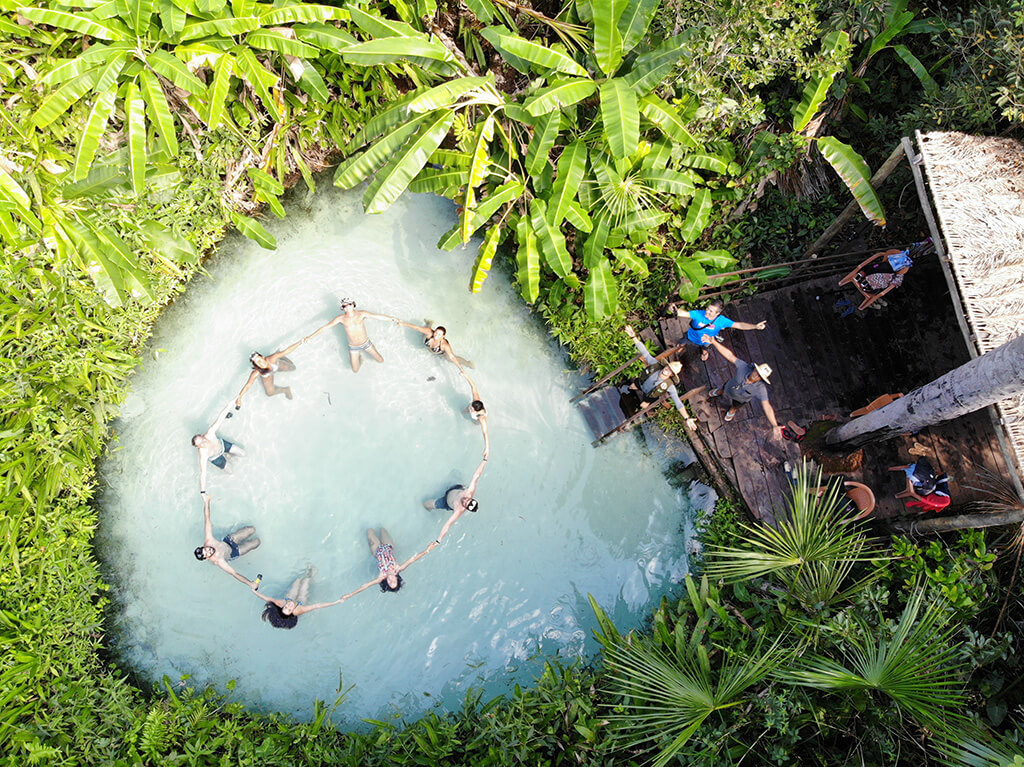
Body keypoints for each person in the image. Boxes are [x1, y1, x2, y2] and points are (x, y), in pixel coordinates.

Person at [705, 336, 783, 437]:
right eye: (757, 372)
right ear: (754, 369)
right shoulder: (744, 367)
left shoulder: (761, 389)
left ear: (762, 379)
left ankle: (732, 410)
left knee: (735, 406)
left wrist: (774, 424)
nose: (756, 375)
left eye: (760, 376)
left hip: (740, 399)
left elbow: (767, 406)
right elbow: (730, 356)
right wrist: (714, 342)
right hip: (730, 387)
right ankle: (719, 392)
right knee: (723, 389)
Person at [339, 529, 438, 597]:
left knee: (369, 531)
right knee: (382, 529)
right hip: (388, 545)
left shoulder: (381, 576)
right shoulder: (398, 569)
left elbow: (365, 586)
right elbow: (413, 559)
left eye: (390, 583)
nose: (391, 580)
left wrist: (350, 594)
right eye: (394, 581)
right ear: (397, 578)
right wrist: (427, 550)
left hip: (376, 550)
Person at [305, 298, 396, 373]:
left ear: (353, 304)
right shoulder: (341, 319)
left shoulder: (362, 314)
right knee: (355, 370)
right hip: (353, 347)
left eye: (349, 304)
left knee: (381, 360)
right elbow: (325, 327)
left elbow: (378, 316)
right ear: (343, 308)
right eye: (344, 306)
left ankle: (364, 355)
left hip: (366, 343)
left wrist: (392, 319)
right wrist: (310, 336)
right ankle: (360, 359)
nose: (347, 307)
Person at [249, 565, 347, 629]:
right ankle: (309, 575)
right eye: (289, 609)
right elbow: (317, 606)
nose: (289, 606)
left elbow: (266, 598)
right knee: (304, 587)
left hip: (289, 597)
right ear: (292, 612)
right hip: (300, 602)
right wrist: (337, 602)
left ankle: (302, 575)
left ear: (282, 607)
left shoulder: (281, 603)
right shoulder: (298, 610)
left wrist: (254, 591)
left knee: (297, 582)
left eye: (286, 607)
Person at [193, 495, 260, 586]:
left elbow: (207, 519)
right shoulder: (218, 560)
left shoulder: (209, 540)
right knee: (256, 542)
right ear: (207, 557)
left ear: (205, 546)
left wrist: (207, 502)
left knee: (251, 529)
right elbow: (234, 574)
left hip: (229, 541)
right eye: (207, 554)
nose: (209, 550)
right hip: (234, 552)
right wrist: (250, 583)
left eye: (206, 549)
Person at [669, 299, 767, 361]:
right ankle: (681, 347)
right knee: (682, 342)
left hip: (707, 341)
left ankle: (704, 353)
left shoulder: (721, 321)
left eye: (711, 311)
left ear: (717, 314)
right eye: (707, 308)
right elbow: (684, 313)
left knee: (705, 348)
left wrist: (755, 326)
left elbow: (739, 325)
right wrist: (675, 310)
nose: (707, 312)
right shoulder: (699, 313)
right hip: (691, 336)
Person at [623, 325, 686, 413]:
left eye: (670, 371)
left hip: (650, 395)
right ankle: (635, 388)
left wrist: (687, 418)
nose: (667, 370)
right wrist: (633, 337)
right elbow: (645, 352)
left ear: (672, 375)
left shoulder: (670, 386)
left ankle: (646, 402)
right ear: (666, 365)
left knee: (643, 405)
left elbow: (678, 402)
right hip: (641, 382)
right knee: (632, 387)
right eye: (668, 367)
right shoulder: (654, 364)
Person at [425, 456, 488, 543]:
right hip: (455, 488)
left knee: (428, 505)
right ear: (471, 498)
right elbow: (476, 475)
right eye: (468, 500)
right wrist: (484, 461)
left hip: (445, 502)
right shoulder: (469, 492)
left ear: (465, 508)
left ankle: (426, 509)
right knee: (455, 474)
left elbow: (448, 525)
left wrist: (438, 540)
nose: (464, 500)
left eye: (465, 504)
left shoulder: (459, 510)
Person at [234, 337, 307, 407]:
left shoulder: (272, 358)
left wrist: (300, 342)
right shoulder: (257, 372)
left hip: (276, 365)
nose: (260, 363)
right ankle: (286, 389)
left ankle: (281, 357)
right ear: (255, 365)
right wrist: (240, 397)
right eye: (257, 363)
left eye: (260, 360)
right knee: (270, 393)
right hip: (267, 375)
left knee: (293, 368)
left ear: (263, 357)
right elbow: (248, 385)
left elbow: (286, 351)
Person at [192, 400, 245, 494]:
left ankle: (227, 454)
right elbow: (203, 473)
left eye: (202, 439)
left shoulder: (210, 433)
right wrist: (203, 492)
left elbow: (220, 417)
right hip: (216, 457)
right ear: (199, 447)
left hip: (222, 445)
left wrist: (232, 401)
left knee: (243, 453)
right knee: (231, 472)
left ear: (202, 436)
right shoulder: (203, 454)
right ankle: (227, 456)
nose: (204, 442)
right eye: (201, 443)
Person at [395, 320, 473, 369]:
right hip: (427, 342)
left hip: (440, 353)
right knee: (425, 330)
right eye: (436, 333)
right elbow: (417, 328)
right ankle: (430, 323)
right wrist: (403, 323)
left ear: (443, 337)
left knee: (450, 359)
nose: (436, 336)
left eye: (439, 335)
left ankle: (467, 363)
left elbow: (452, 357)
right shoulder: (430, 333)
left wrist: (460, 368)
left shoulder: (444, 345)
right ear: (434, 331)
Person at [461, 373, 490, 459]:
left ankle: (472, 422)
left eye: (472, 409)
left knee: (474, 423)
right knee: (463, 411)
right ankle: (462, 412)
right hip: (474, 409)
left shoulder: (481, 418)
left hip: (476, 420)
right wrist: (465, 376)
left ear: (476, 411)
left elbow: (485, 433)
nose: (471, 408)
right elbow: (473, 386)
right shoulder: (476, 400)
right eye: (471, 407)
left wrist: (487, 448)